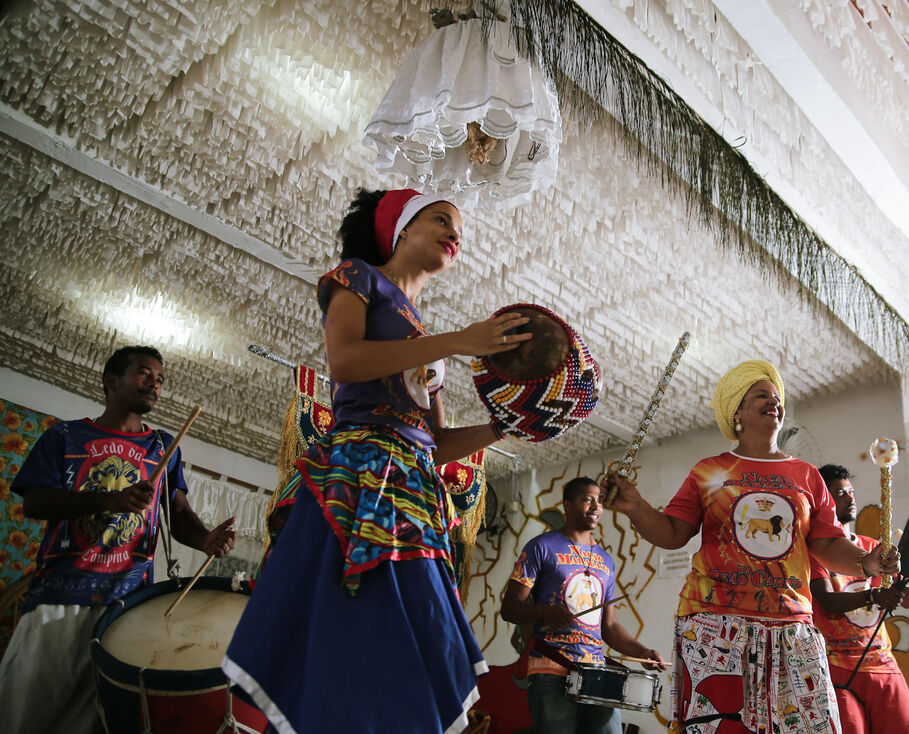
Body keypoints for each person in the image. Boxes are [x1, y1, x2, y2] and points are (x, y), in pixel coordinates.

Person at [222, 188, 529, 734]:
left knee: (400, 640)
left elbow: (436, 442)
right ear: (401, 229)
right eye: (441, 220)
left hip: (411, 488)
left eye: (459, 229)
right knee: (347, 625)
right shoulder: (358, 276)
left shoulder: (425, 334)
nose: (455, 234)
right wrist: (455, 342)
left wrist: (504, 427)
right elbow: (344, 361)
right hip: (359, 477)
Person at [606, 359, 900, 734]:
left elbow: (825, 542)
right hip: (714, 624)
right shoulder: (710, 470)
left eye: (777, 397)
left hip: (791, 624)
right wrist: (635, 506)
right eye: (762, 395)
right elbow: (673, 533)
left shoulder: (807, 475)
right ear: (738, 412)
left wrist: (867, 562)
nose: (774, 402)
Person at [0, 345, 237, 734]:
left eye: (160, 380)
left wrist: (206, 539)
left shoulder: (162, 447)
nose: (154, 385)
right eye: (145, 374)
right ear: (112, 381)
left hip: (127, 605)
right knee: (28, 710)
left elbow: (177, 515)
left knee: (98, 717)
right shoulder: (64, 436)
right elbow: (37, 503)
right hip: (62, 596)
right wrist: (109, 500)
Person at [500, 476, 668, 734]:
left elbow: (609, 626)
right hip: (550, 670)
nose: (596, 507)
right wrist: (544, 612)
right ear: (567, 505)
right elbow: (510, 608)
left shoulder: (605, 560)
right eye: (587, 500)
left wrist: (643, 651)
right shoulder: (541, 547)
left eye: (599, 500)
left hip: (596, 673)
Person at [810, 464, 909, 734]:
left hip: (882, 664)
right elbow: (826, 600)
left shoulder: (873, 546)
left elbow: (901, 600)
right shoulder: (815, 551)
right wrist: (873, 595)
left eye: (851, 491)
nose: (850, 498)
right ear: (822, 500)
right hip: (837, 669)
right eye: (839, 493)